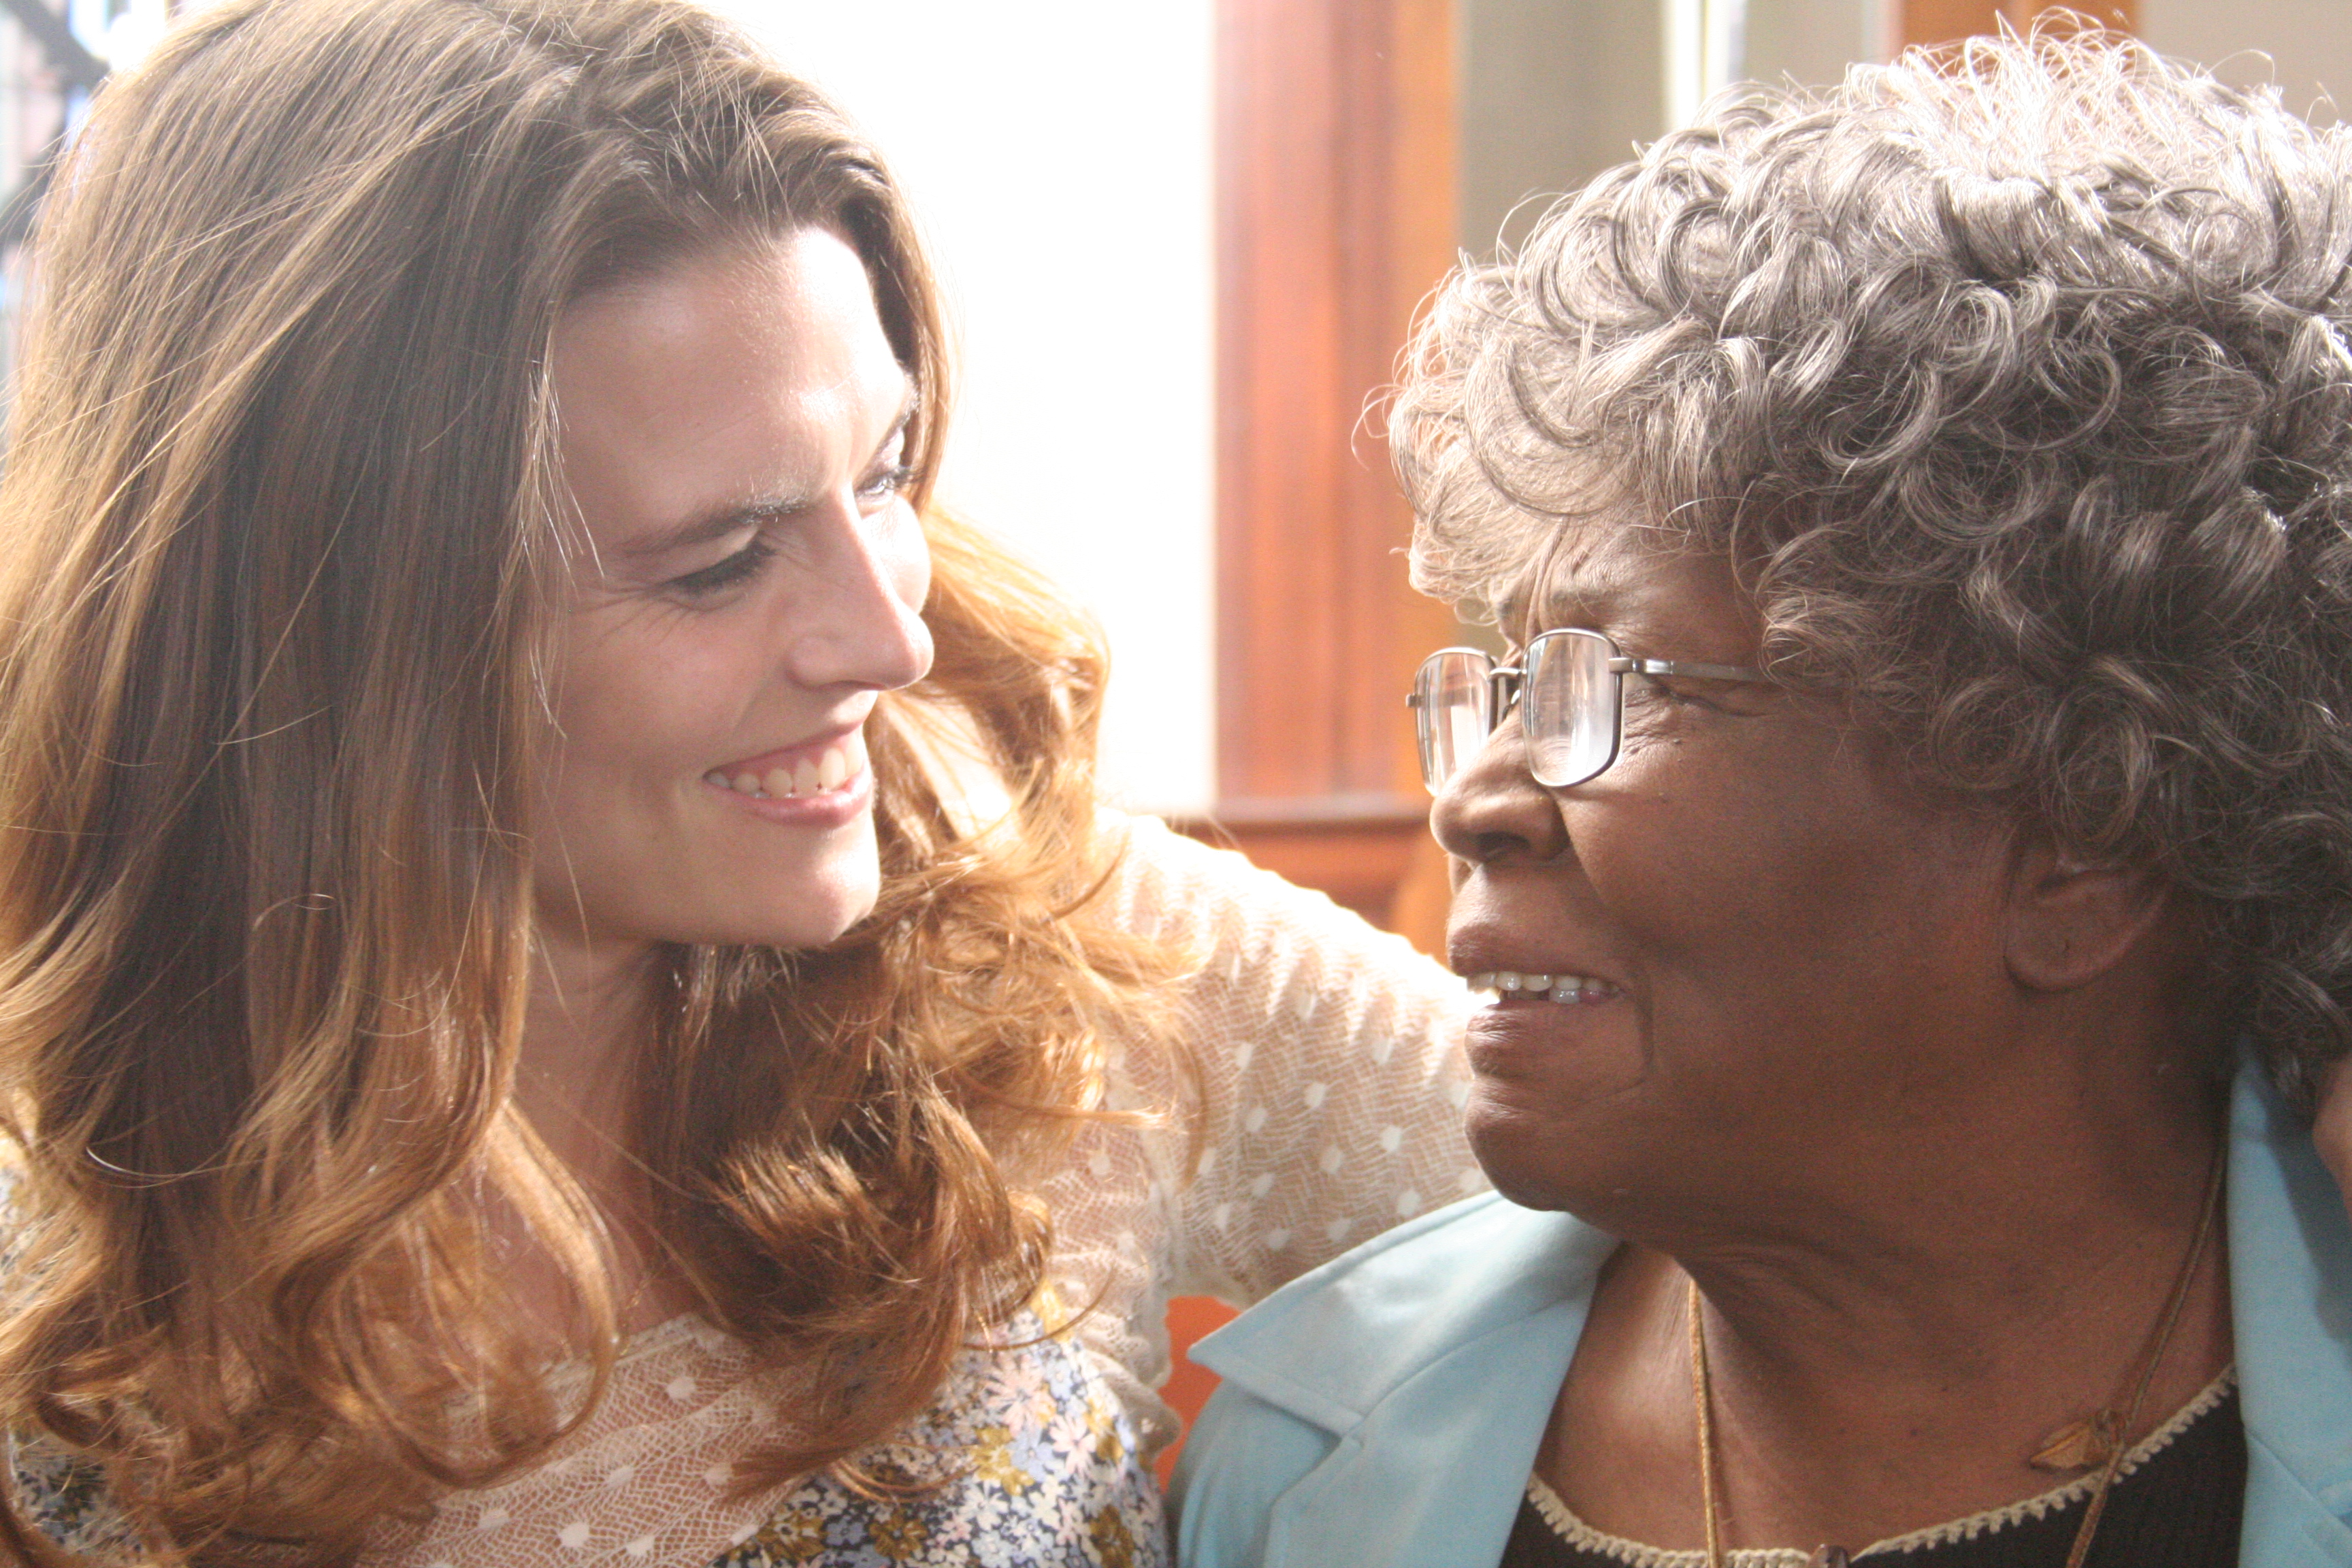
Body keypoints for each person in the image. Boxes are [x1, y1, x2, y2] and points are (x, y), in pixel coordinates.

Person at [0, 2, 1477, 1563]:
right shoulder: (53, 1256)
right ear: (329, 636)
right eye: (718, 563)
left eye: (886, 475)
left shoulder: (1082, 960)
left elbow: (1713, 1231)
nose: (889, 637)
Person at [1173, 27, 2352, 1568]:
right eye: (1509, 684)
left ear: (2083, 839)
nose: (1477, 797)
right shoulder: (1300, 1467)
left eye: (1627, 682)